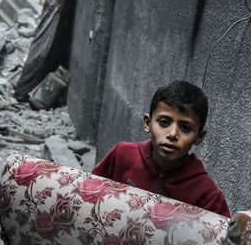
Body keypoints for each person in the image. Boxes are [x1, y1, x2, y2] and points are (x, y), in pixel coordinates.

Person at [91, 80, 230, 217]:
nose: (173, 134)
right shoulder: (122, 155)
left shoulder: (207, 194)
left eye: (185, 128)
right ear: (148, 123)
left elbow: (221, 236)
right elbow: (88, 195)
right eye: (164, 122)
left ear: (199, 137)